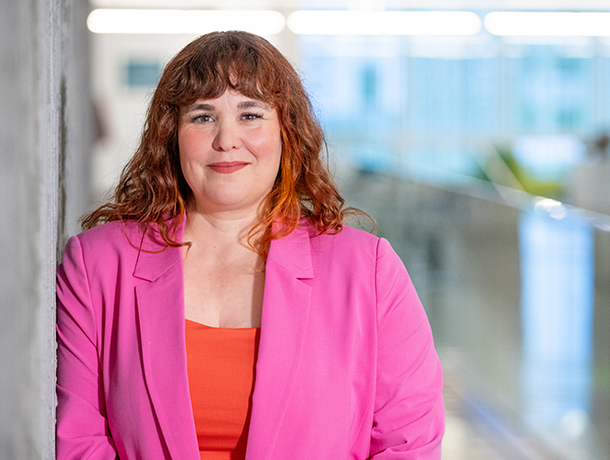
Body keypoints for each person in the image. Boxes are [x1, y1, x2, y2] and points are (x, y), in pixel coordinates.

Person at [54, 31, 444, 459]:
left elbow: (409, 442)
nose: (226, 139)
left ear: (287, 132)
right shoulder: (95, 265)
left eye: (250, 114)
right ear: (172, 135)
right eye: (202, 116)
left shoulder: (368, 271)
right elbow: (80, 441)